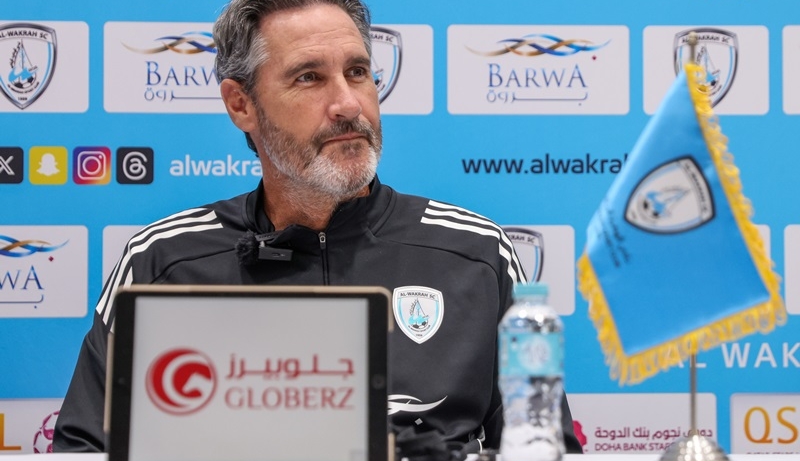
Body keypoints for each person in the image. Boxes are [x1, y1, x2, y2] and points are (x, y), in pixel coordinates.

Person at [54, 0, 583, 455]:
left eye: (358, 72)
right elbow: (82, 451)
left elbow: (545, 446)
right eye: (309, 77)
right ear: (241, 104)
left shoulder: (476, 252)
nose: (348, 104)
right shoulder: (162, 262)